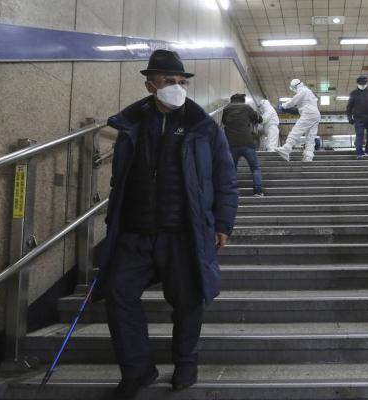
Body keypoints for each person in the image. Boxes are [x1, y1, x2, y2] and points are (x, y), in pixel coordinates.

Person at [98, 49, 238, 399]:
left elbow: (225, 177)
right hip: (134, 230)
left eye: (181, 82)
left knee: (188, 300)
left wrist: (223, 223)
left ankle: (186, 363)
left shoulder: (203, 127)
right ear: (150, 85)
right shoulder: (131, 124)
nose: (177, 87)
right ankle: (137, 370)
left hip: (183, 230)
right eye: (168, 82)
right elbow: (121, 180)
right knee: (118, 294)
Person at [222, 93, 264, 197]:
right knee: (255, 167)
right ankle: (258, 191)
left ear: (232, 100)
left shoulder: (226, 108)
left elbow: (224, 122)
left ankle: (232, 192)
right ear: (242, 100)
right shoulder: (247, 107)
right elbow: (259, 119)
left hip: (231, 144)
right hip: (247, 143)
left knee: (232, 169)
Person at [275, 79, 320, 162]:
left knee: (296, 130)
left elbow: (293, 101)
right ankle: (308, 157)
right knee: (310, 137)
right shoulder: (308, 92)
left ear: (295, 86)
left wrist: (283, 106)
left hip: (308, 113)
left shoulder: (303, 91)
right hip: (316, 115)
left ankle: (286, 148)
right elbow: (297, 109)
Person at [346, 75, 368, 159]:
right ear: (357, 83)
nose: (362, 85)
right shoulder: (353, 93)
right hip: (358, 119)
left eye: (364, 83)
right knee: (359, 135)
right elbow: (349, 107)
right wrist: (350, 117)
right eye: (360, 84)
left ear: (366, 83)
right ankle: (359, 153)